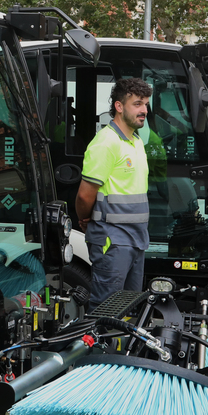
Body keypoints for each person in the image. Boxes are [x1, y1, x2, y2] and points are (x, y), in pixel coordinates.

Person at [76, 78, 152, 310]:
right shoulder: (106, 143)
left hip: (136, 240)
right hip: (113, 241)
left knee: (127, 308)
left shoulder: (136, 141)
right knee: (105, 308)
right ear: (119, 106)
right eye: (137, 104)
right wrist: (85, 219)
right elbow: (84, 196)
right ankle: (98, 347)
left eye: (146, 104)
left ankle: (118, 348)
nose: (144, 111)